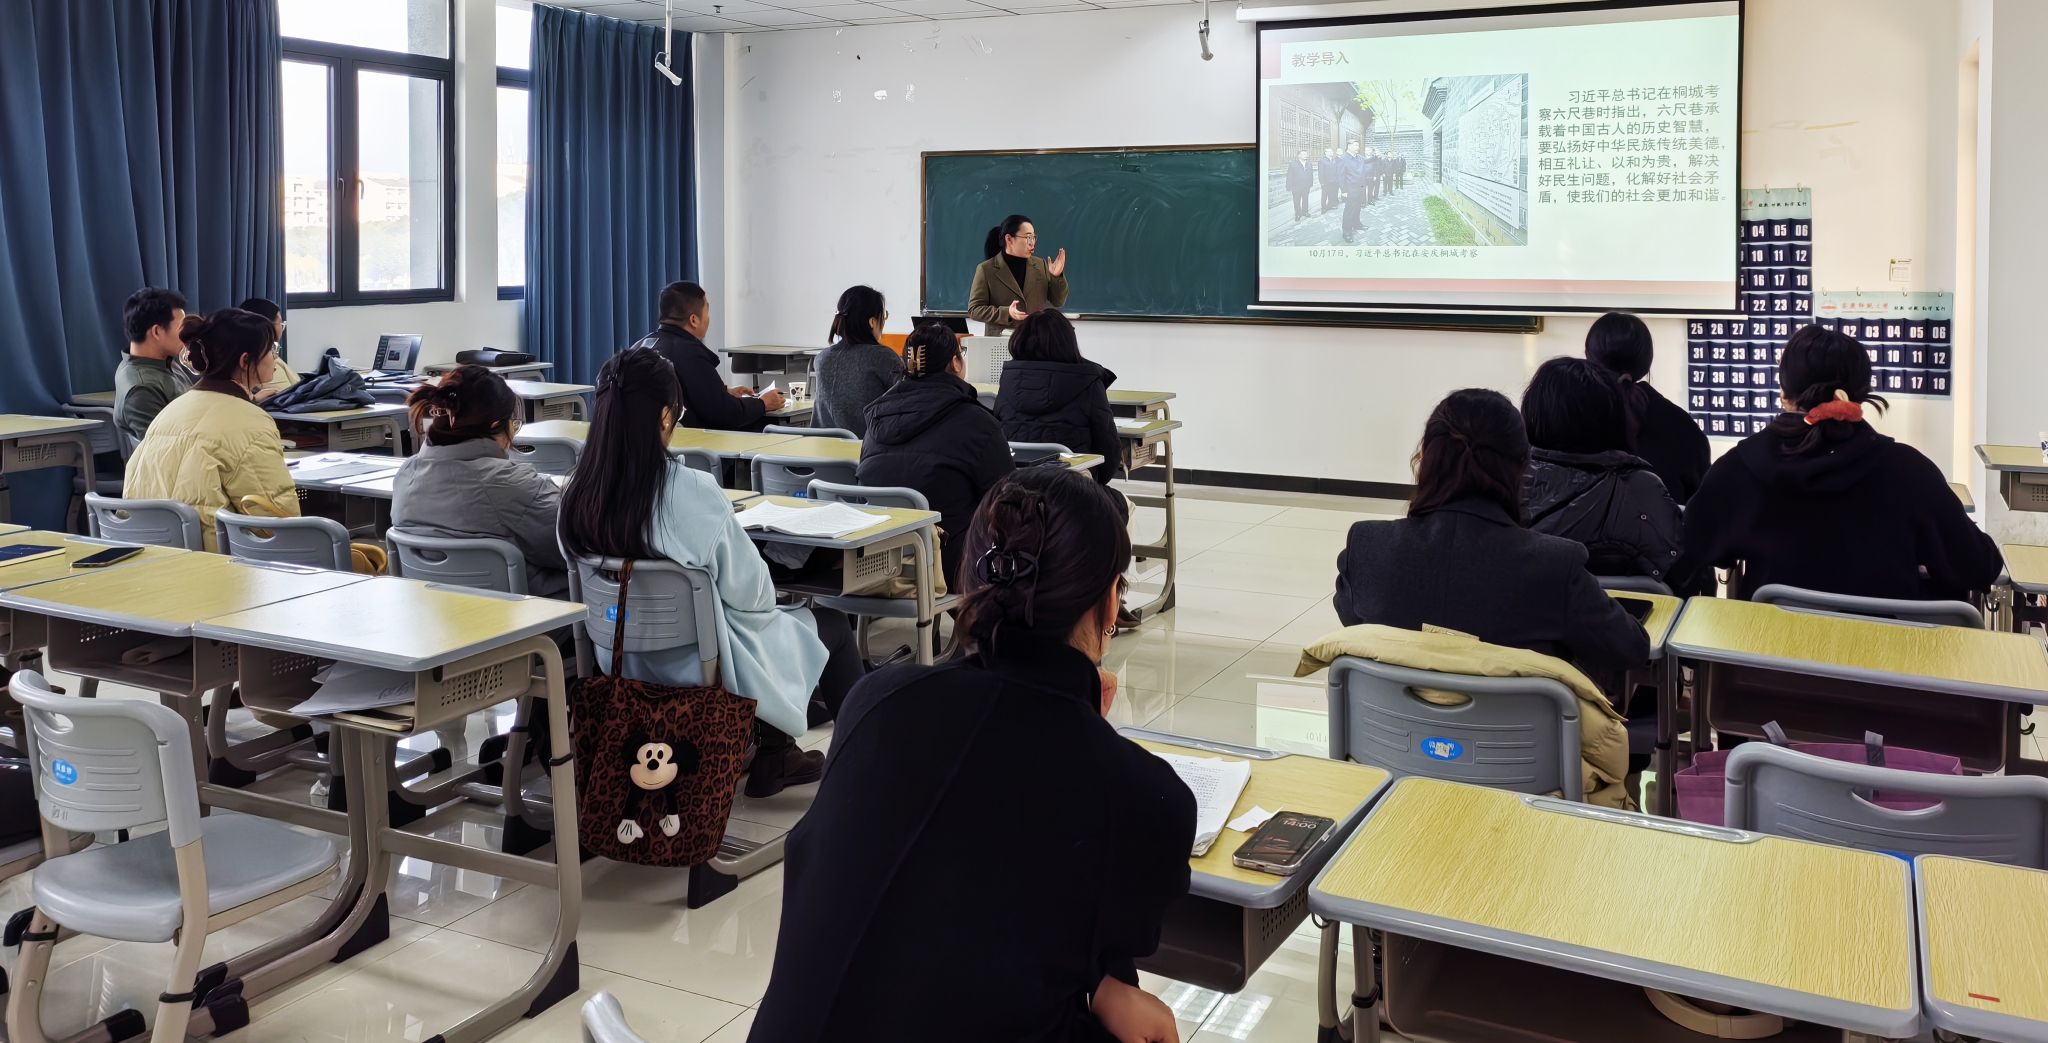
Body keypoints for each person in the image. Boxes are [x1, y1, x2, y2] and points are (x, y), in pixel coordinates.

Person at [750, 466, 1193, 1043]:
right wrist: (1089, 732)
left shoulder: (875, 701)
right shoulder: (1145, 793)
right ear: (1110, 605)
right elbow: (1081, 917)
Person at [559, 347, 866, 796]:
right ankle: (858, 773)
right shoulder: (691, 490)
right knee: (825, 625)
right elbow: (753, 595)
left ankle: (777, 752)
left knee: (753, 629)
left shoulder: (576, 494)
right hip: (698, 662)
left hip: (616, 656)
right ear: (666, 416)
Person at [1672, 325, 2001, 602]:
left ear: (1784, 391)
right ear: (1862, 393)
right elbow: (1979, 567)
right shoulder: (1910, 471)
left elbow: (1691, 547)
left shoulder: (1741, 466)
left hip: (1768, 656)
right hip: (1885, 658)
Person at [1335, 388, 1648, 677]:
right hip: (1521, 723)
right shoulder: (1554, 565)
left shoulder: (1368, 546)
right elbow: (1630, 649)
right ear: (1522, 468)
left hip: (1390, 722)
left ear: (1424, 459)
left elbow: (1358, 625)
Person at [122, 308, 297, 552]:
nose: (275, 359)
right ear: (245, 361)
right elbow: (277, 524)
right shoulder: (250, 421)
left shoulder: (170, 411)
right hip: (217, 562)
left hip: (153, 556)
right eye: (271, 350)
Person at [390, 365, 569, 598]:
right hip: (527, 612)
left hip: (435, 612)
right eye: (513, 422)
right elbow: (575, 546)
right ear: (496, 424)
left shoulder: (406, 474)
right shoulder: (509, 484)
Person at [859, 324, 1014, 588]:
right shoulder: (976, 421)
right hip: (952, 563)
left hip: (878, 560)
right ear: (955, 363)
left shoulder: (877, 419)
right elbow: (1005, 501)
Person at [1520, 357, 1683, 586]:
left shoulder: (1510, 483)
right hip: (1632, 610)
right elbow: (1681, 573)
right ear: (1612, 415)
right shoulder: (1641, 487)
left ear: (1532, 413)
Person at [1584, 312, 1710, 503]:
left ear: (1588, 357)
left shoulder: (1564, 417)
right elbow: (1702, 503)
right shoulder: (1682, 426)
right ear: (1647, 361)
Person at [627, 281, 785, 432]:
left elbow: (684, 393)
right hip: (686, 445)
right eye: (707, 312)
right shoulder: (689, 352)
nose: (708, 318)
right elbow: (724, 412)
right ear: (694, 320)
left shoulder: (639, 346)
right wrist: (762, 403)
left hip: (640, 442)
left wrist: (722, 392)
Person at [994, 309, 1119, 487]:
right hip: (1071, 488)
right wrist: (1095, 483)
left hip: (1015, 488)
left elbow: (997, 439)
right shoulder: (1088, 381)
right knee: (1119, 501)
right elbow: (1109, 451)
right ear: (1067, 342)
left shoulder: (1008, 381)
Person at [810, 285, 902, 438]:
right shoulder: (883, 357)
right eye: (883, 315)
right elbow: (907, 402)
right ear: (872, 321)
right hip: (867, 449)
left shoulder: (822, 358)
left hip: (821, 449)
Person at [967, 215, 1070, 335]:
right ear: (1009, 239)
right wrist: (1006, 313)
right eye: (1027, 237)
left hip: (1036, 338)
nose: (1032, 243)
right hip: (1001, 340)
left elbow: (1058, 301)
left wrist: (1056, 277)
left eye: (1033, 237)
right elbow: (974, 309)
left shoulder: (1041, 265)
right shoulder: (986, 269)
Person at [113, 287, 191, 444]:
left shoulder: (163, 362)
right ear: (156, 332)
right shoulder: (142, 388)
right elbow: (165, 450)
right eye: (181, 328)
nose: (187, 335)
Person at [237, 297, 300, 402]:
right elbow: (290, 399)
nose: (275, 356)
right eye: (271, 349)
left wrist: (253, 399)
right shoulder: (265, 367)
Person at [1340, 141, 1368, 244]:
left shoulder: (1359, 158)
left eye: (1358, 145)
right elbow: (1340, 176)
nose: (1358, 147)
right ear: (1349, 146)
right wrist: (1343, 190)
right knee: (1349, 211)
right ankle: (1346, 232)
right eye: (1355, 145)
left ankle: (1357, 224)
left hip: (1360, 188)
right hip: (1350, 190)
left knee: (1357, 208)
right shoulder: (1343, 159)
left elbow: (1366, 166)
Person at [1286, 149, 1314, 221]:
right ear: (1299, 156)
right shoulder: (1293, 164)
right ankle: (1298, 213)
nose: (1306, 155)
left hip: (1306, 186)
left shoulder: (1309, 164)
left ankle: (1305, 212)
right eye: (1303, 154)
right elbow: (1289, 175)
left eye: (1306, 154)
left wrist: (1311, 183)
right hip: (1296, 186)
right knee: (1296, 201)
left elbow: (1311, 174)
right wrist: (1288, 186)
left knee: (1305, 199)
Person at [1319, 146, 1340, 213]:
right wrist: (1322, 182)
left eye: (1332, 151)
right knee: (1324, 195)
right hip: (1326, 182)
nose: (1331, 152)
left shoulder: (1334, 160)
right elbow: (1321, 173)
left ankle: (1330, 205)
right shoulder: (1322, 161)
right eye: (1329, 151)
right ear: (1325, 153)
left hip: (1334, 181)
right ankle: (1323, 208)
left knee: (1332, 194)